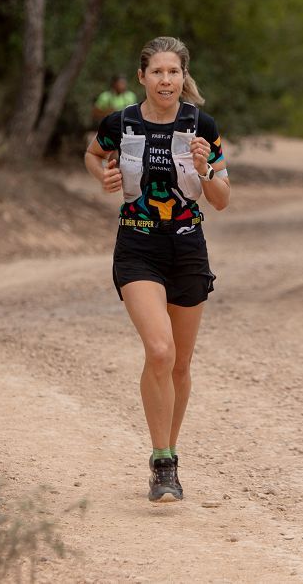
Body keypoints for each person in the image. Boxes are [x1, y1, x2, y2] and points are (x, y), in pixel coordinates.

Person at [83, 36, 230, 502]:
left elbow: (223, 199)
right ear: (143, 76)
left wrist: (207, 172)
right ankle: (162, 462)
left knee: (181, 365)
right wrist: (102, 176)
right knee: (160, 351)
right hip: (138, 244)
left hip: (187, 247)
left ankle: (171, 452)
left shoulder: (201, 125)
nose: (166, 80)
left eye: (174, 72)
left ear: (183, 77)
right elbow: (92, 154)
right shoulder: (120, 123)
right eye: (158, 72)